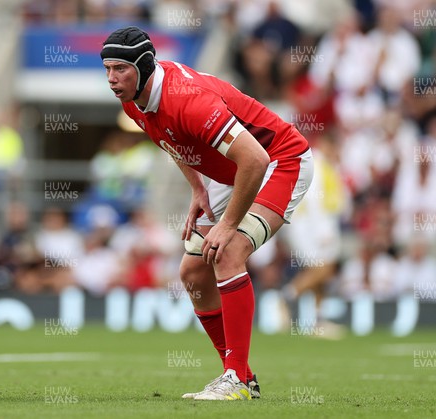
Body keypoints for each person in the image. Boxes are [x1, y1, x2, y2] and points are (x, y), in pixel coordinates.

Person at [101, 26, 313, 401]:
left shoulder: (189, 100)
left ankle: (234, 380)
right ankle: (242, 377)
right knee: (192, 273)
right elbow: (171, 140)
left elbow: (256, 158)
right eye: (107, 69)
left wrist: (228, 224)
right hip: (231, 173)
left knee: (228, 252)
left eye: (120, 68)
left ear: (144, 66)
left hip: (280, 161)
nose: (112, 79)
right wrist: (198, 187)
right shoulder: (133, 99)